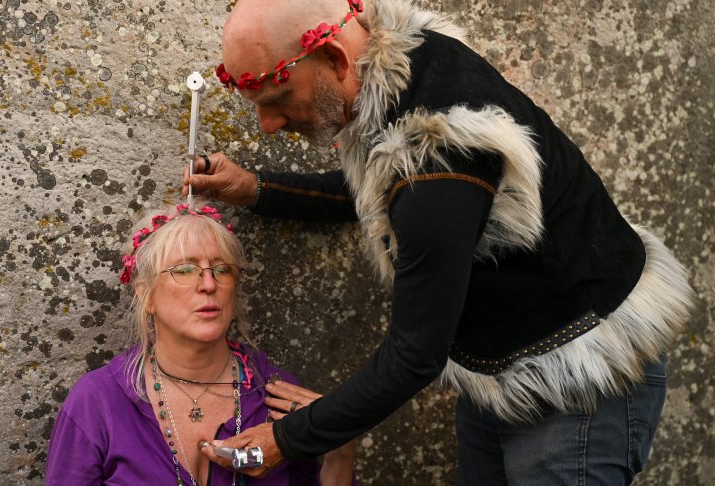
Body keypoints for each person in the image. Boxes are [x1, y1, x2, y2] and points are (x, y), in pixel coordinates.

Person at [184, 0, 696, 483]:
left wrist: (285, 440)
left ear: (335, 58)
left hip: (584, 383)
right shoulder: (406, 66)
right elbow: (392, 186)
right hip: (501, 368)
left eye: (277, 99)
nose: (268, 124)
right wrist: (258, 189)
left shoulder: (440, 158)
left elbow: (414, 356)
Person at [45, 203, 356, 485]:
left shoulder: (276, 395)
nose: (209, 284)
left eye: (222, 270)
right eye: (184, 270)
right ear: (146, 294)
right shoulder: (98, 402)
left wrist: (339, 452)